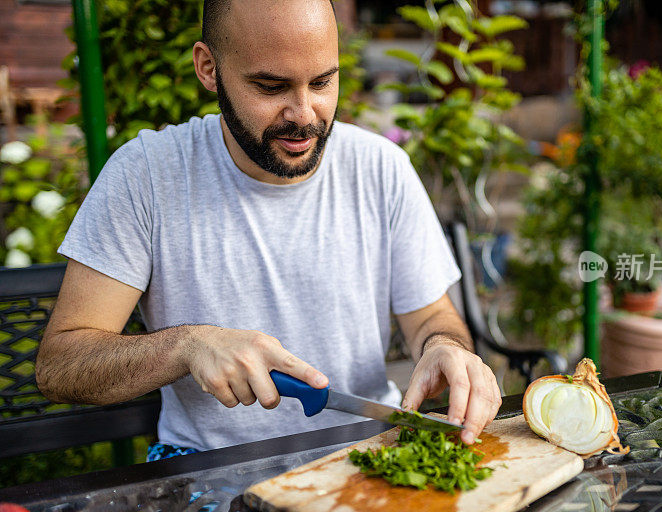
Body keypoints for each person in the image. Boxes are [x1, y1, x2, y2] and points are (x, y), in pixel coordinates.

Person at [36, 0, 501, 459]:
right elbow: (61, 366)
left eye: (322, 81)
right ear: (208, 68)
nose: (304, 114)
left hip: (369, 455)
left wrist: (444, 347)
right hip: (209, 470)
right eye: (271, 86)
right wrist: (186, 346)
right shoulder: (148, 175)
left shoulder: (381, 168)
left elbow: (429, 319)